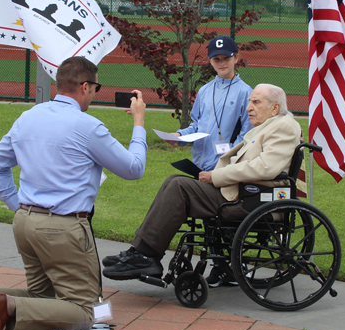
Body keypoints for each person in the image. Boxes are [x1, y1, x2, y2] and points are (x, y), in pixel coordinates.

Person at [0, 56, 147, 330]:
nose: (94, 95)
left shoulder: (28, 117)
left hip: (25, 222)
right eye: (95, 88)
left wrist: (18, 206)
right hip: (64, 228)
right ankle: (6, 308)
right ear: (84, 86)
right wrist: (139, 122)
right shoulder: (89, 126)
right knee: (86, 311)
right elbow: (133, 169)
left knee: (40, 294)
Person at [102, 84, 302, 282]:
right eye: (250, 101)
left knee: (179, 187)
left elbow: (264, 168)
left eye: (256, 102)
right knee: (174, 180)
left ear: (275, 108)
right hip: (243, 192)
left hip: (250, 198)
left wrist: (215, 176)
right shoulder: (270, 125)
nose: (249, 107)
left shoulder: (283, 126)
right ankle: (140, 252)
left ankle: (146, 255)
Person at [172, 35, 253, 173]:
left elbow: (247, 134)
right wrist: (180, 136)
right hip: (198, 165)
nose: (222, 63)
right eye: (216, 59)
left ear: (236, 58)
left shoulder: (246, 93)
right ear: (210, 61)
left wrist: (227, 161)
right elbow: (197, 125)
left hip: (224, 169)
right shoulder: (204, 91)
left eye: (226, 58)